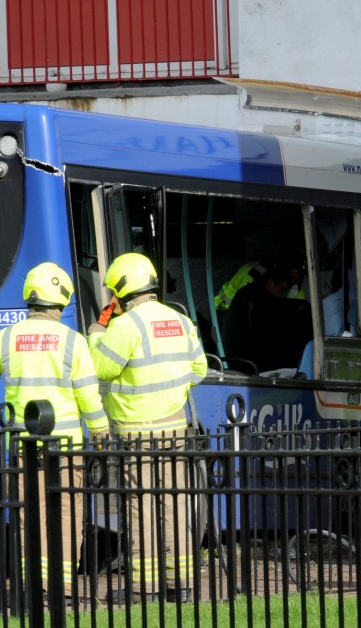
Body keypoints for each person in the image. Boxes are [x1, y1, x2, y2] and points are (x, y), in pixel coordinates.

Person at [0, 262, 109, 601]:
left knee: (27, 515)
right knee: (65, 514)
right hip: (66, 447)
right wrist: (101, 435)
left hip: (22, 445)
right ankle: (61, 586)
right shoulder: (74, 342)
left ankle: (32, 584)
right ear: (61, 301)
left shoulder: (6, 337)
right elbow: (88, 397)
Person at [88, 252, 207, 603]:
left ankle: (144, 589)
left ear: (121, 293)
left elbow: (101, 368)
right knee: (175, 505)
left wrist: (97, 332)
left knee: (141, 508)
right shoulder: (181, 321)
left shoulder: (126, 325)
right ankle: (181, 584)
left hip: (136, 434)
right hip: (175, 430)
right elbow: (198, 371)